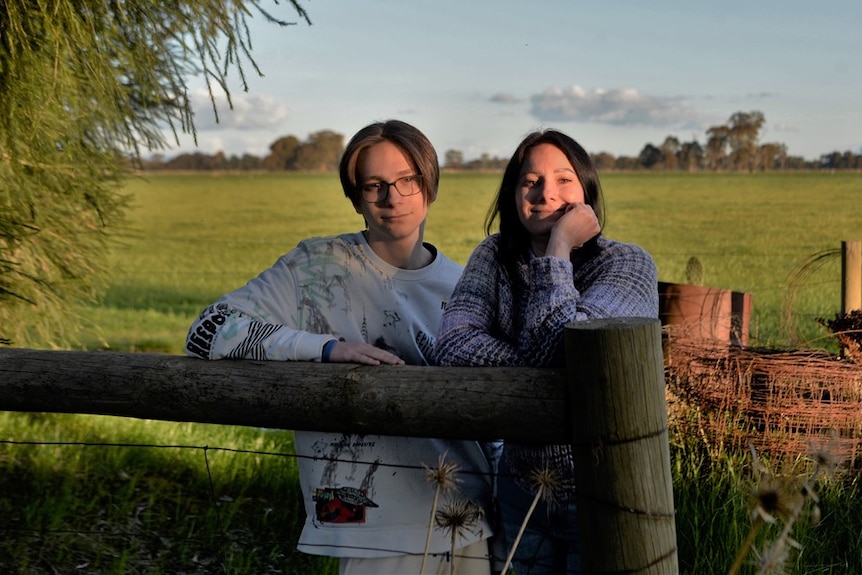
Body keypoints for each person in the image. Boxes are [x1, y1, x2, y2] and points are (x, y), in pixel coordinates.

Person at [185, 120, 494, 574]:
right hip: (364, 524)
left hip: (466, 518)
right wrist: (325, 349)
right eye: (374, 185)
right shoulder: (314, 266)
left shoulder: (466, 285)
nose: (393, 198)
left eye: (407, 180)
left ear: (429, 185)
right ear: (355, 198)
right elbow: (206, 332)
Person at [433, 129, 659, 574]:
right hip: (521, 490)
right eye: (530, 181)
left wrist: (558, 250)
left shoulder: (627, 264)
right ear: (513, 193)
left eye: (563, 180)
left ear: (587, 191)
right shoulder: (494, 256)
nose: (544, 193)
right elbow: (453, 344)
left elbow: (567, 349)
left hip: (602, 490)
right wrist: (542, 370)